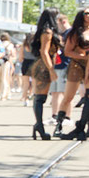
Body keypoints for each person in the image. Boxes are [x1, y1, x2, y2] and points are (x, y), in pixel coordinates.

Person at [54, 9, 89, 136]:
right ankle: (59, 125)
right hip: (76, 66)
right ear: (81, 17)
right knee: (69, 96)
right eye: (86, 13)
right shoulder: (76, 32)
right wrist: (84, 57)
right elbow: (67, 51)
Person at [29, 10, 60, 140]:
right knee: (40, 97)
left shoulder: (44, 30)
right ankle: (39, 126)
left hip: (42, 65)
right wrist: (51, 70)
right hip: (44, 66)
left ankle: (38, 125)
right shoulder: (47, 32)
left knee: (40, 97)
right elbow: (44, 52)